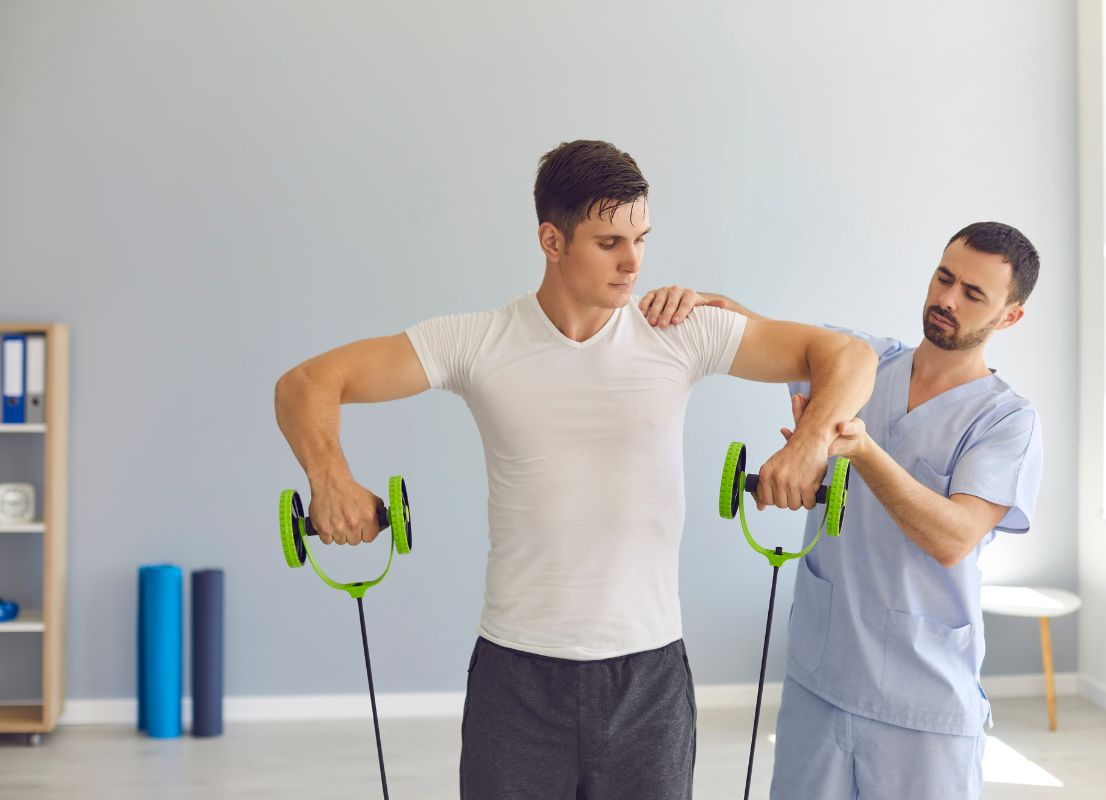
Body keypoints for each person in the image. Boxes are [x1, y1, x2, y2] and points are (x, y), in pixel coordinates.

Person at [274, 139, 878, 799]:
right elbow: (307, 383)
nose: (633, 263)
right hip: (516, 678)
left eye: (641, 239)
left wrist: (810, 441)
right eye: (608, 243)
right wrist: (330, 479)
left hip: (648, 676)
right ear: (552, 241)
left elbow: (848, 356)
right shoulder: (477, 340)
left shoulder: (679, 330)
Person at [641, 221, 1044, 799]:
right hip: (821, 680)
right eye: (943, 277)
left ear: (1009, 316)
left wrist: (858, 450)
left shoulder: (1007, 421)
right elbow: (753, 332)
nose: (946, 299)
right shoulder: (863, 362)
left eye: (972, 294)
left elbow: (955, 538)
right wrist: (700, 304)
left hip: (923, 703)